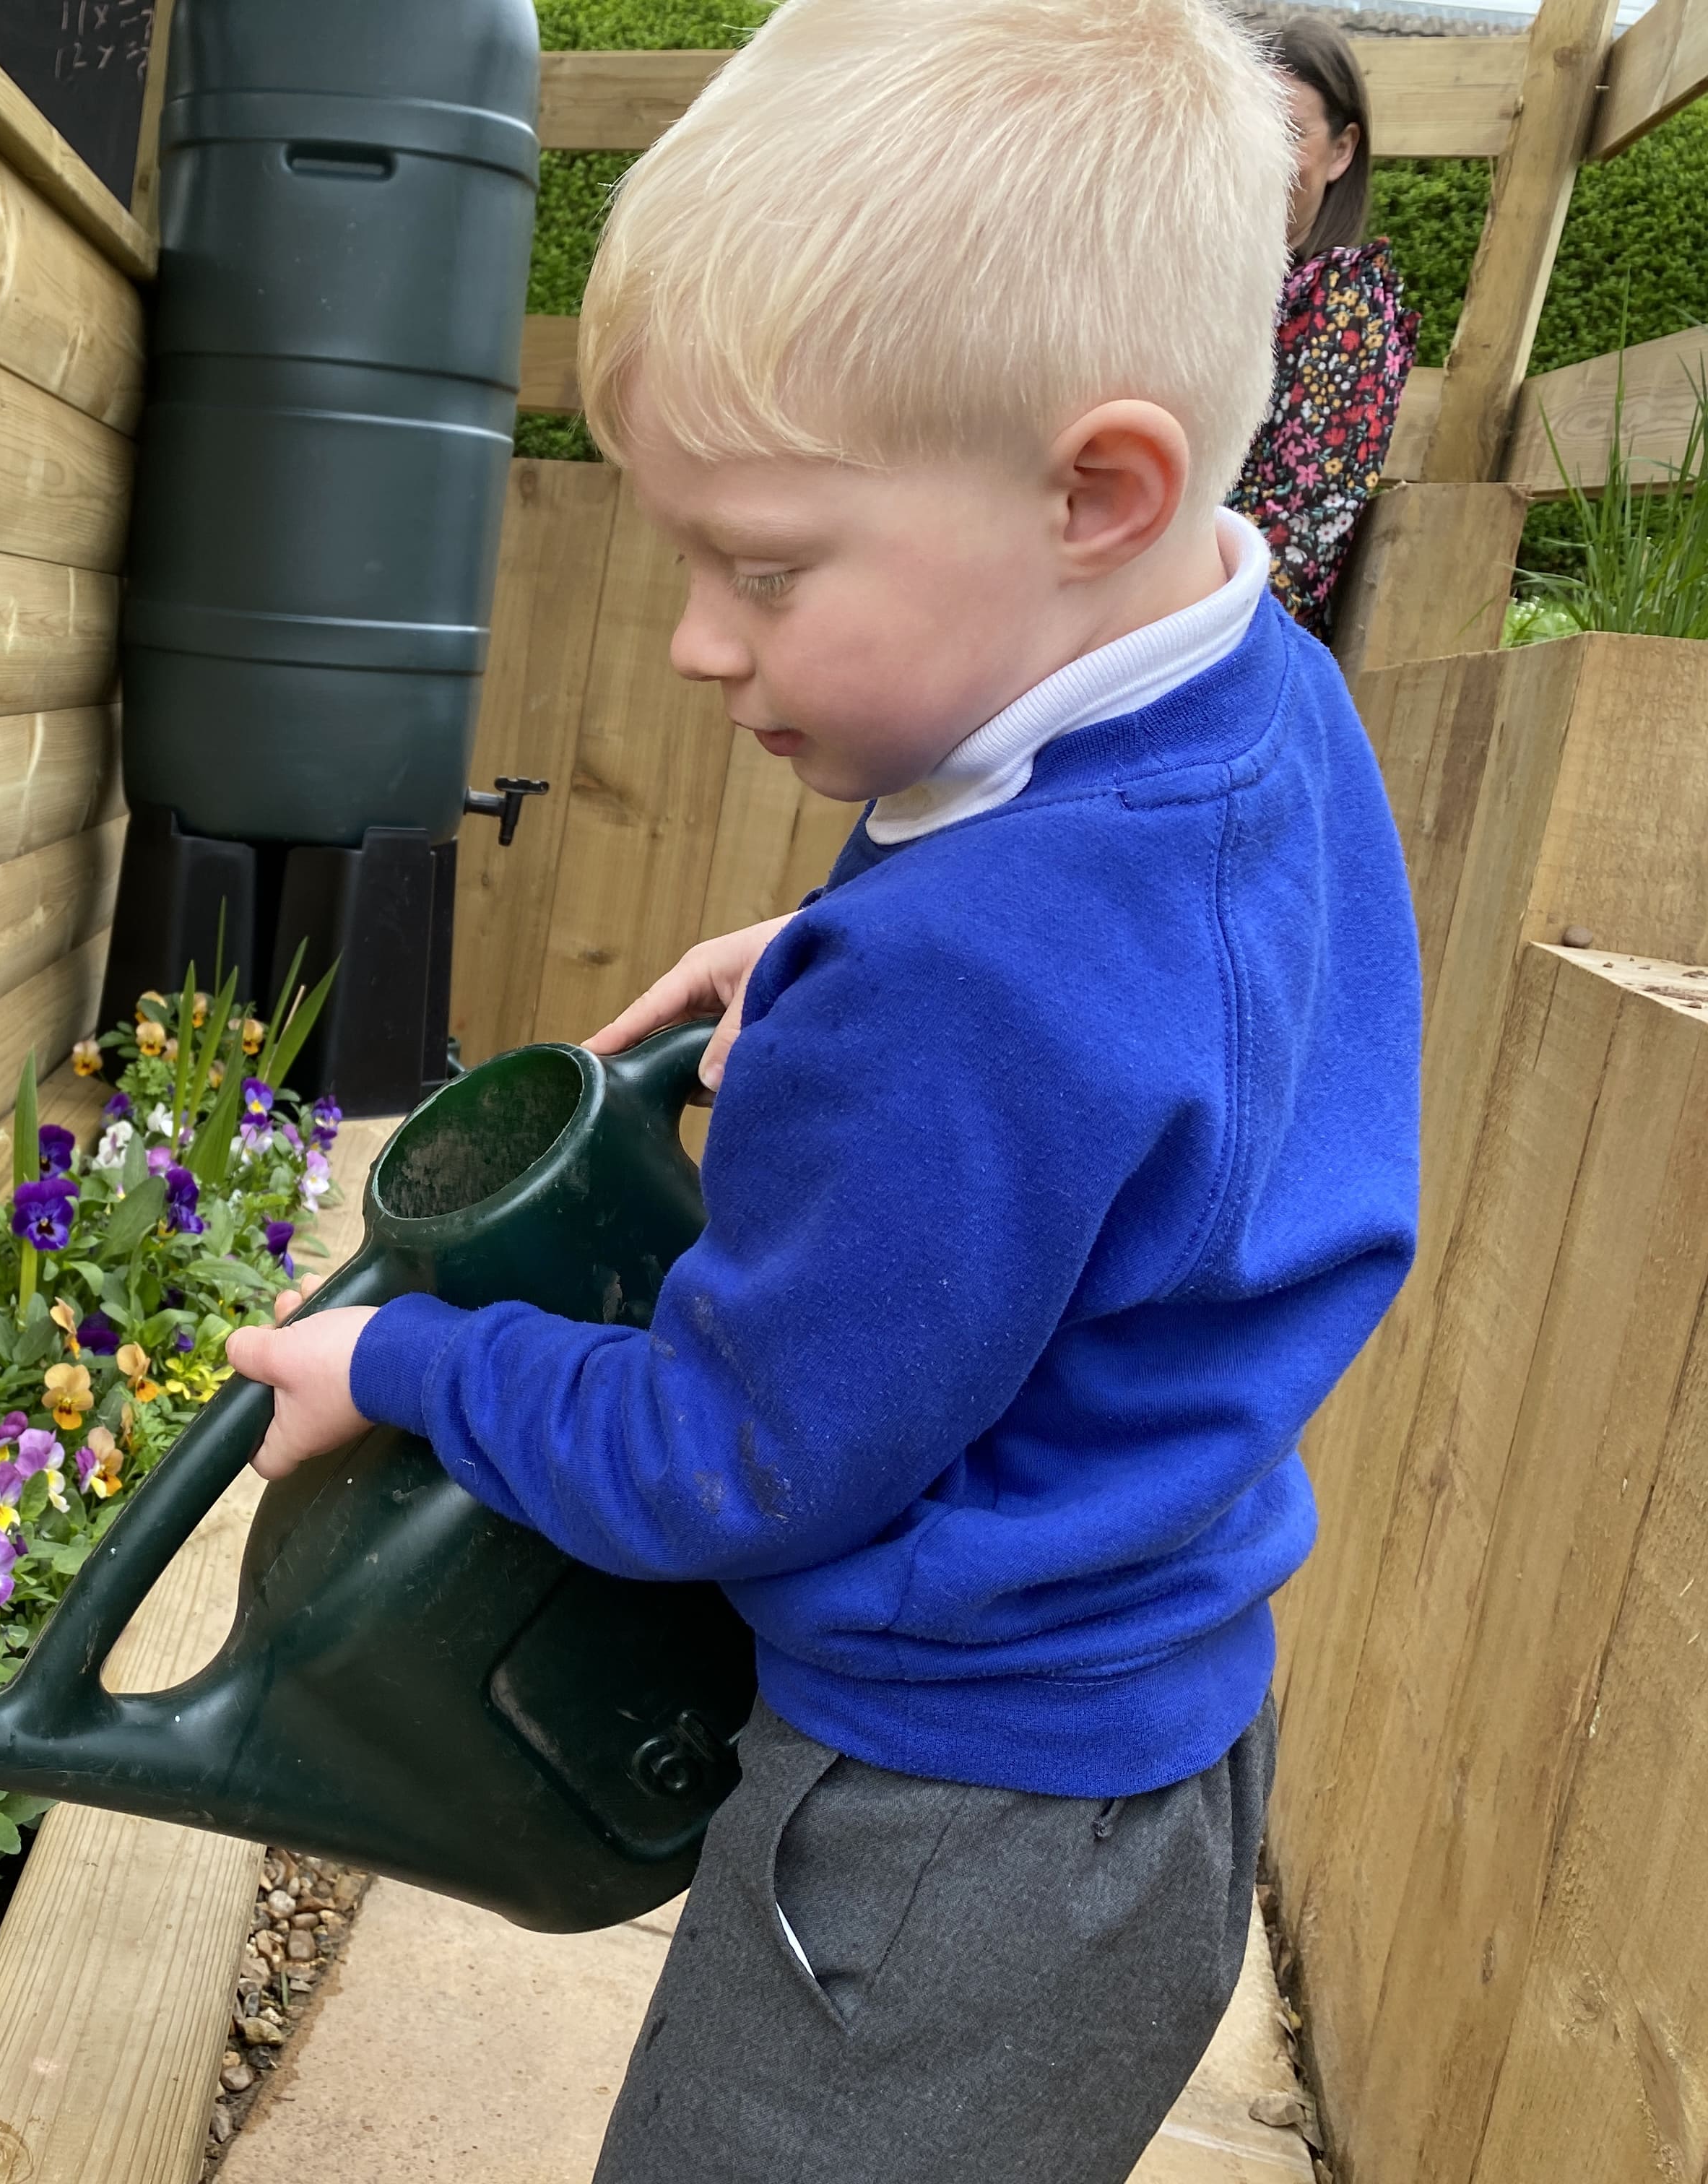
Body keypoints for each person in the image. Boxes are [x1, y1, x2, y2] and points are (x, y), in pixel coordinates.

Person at [225, 0, 1421, 2178]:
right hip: (1147, 1764)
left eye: (761, 567)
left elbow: (733, 1460)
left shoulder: (967, 985)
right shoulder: (1258, 693)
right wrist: (832, 954)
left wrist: (406, 1361)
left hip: (927, 1853)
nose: (692, 642)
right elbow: (1186, 1003)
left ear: (1100, 489)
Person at [1226, 16, 1421, 637]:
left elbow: (1292, 556)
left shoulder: (1346, 306)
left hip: (1220, 653)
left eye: (1288, 129)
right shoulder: (1197, 284)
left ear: (1341, 150)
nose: (1261, 149)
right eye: (1244, 124)